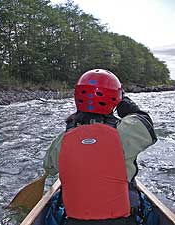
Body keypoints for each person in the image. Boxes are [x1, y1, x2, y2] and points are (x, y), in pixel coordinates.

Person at [43, 69, 157, 225]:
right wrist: (131, 109)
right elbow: (146, 125)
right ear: (115, 100)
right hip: (122, 221)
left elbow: (49, 167)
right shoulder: (125, 132)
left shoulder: (63, 139)